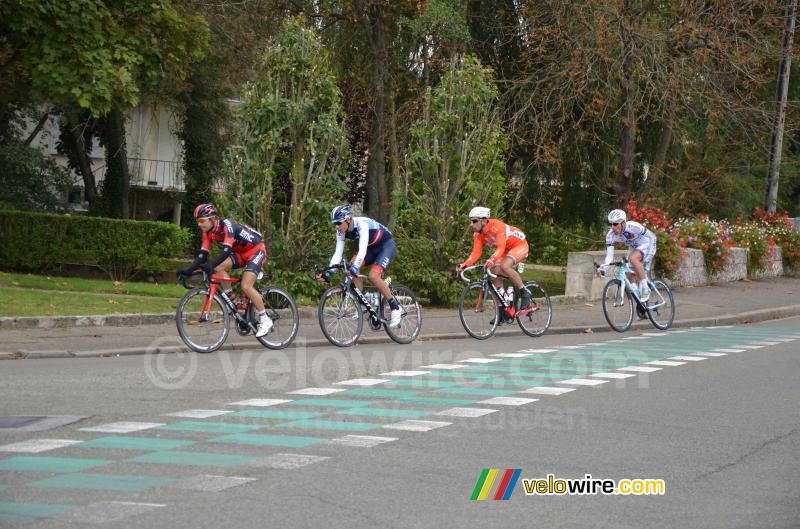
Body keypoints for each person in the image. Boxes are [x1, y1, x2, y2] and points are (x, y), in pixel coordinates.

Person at [176, 203, 273, 337]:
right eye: (197, 221)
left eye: (201, 220)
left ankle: (265, 319)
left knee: (246, 285)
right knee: (217, 268)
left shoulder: (227, 225)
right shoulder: (208, 233)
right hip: (241, 254)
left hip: (256, 251)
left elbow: (226, 251)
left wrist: (209, 266)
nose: (199, 224)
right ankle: (231, 298)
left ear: (213, 219)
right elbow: (202, 254)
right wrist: (188, 270)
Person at [316, 205, 402, 328]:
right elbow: (338, 254)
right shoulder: (340, 231)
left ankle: (395, 308)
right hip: (371, 248)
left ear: (348, 219)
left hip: (385, 246)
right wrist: (328, 272)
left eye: (339, 223)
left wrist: (355, 267)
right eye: (334, 224)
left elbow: (362, 250)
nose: (336, 227)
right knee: (351, 267)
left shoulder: (362, 225)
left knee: (373, 275)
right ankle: (363, 300)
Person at [455, 206, 532, 309]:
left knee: (504, 266)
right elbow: (476, 252)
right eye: (471, 221)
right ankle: (501, 310)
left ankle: (524, 291)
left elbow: (500, 247)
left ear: (484, 221)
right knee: (496, 272)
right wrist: (465, 264)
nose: (471, 224)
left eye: (474, 221)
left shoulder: (497, 226)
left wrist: (491, 259)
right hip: (505, 249)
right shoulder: (478, 234)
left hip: (519, 245)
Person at [596, 208, 657, 302]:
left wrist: (649, 256)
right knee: (627, 273)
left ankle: (645, 287)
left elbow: (652, 236)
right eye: (611, 224)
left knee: (632, 258)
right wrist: (604, 270)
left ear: (623, 223)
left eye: (615, 224)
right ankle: (640, 302)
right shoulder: (610, 235)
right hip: (633, 247)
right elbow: (609, 256)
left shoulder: (633, 226)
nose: (612, 227)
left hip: (646, 244)